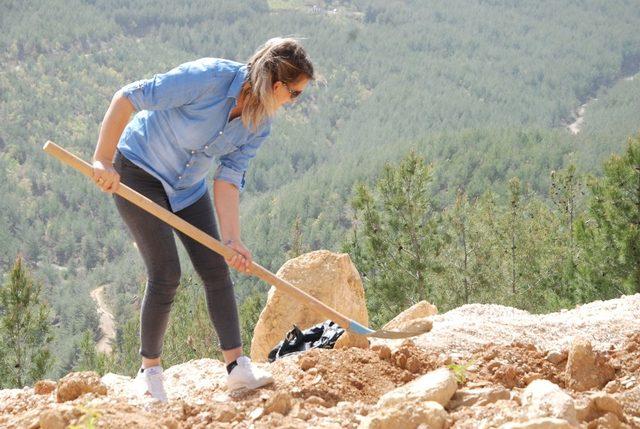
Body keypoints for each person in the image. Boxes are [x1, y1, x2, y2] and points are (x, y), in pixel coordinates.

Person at [91, 37, 315, 402]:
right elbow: (128, 96)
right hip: (138, 171)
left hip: (186, 188)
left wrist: (232, 240)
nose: (293, 102)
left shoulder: (259, 124)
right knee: (166, 273)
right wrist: (102, 159)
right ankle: (149, 373)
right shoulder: (208, 78)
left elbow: (228, 178)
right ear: (277, 86)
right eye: (295, 94)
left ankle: (237, 367)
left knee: (215, 268)